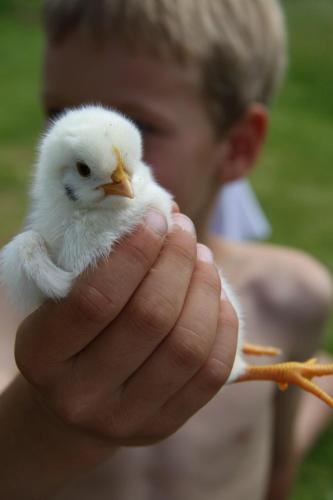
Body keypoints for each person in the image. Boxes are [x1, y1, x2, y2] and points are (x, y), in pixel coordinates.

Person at [0, 1, 332, 499]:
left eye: (140, 123)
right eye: (59, 113)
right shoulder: (13, 324)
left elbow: (274, 474)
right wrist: (46, 423)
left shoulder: (290, 299)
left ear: (237, 147)